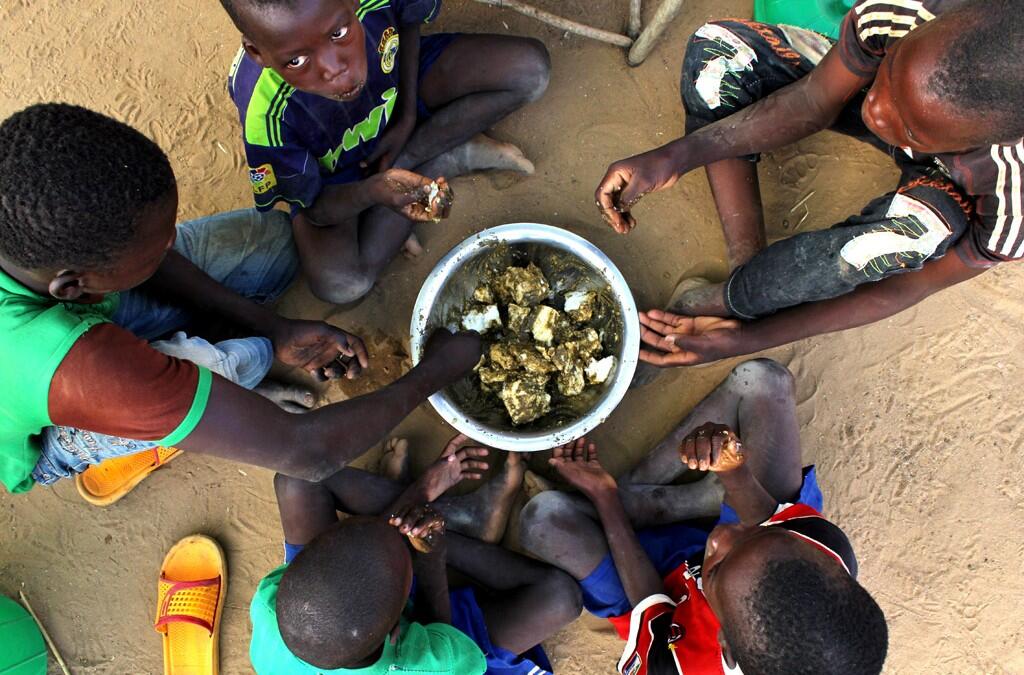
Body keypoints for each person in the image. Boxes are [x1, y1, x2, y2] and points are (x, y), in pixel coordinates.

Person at [0, 103, 481, 494]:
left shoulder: (27, 217)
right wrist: (435, 371)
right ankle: (169, 422)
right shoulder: (67, 366)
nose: (173, 243)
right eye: (158, 245)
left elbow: (152, 256)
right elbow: (307, 453)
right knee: (245, 360)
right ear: (72, 285)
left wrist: (277, 329)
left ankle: (192, 377)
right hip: (55, 415)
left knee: (275, 249)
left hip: (81, 314)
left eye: (169, 230)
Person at [595, 0, 1024, 371]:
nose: (875, 111)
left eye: (909, 128)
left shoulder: (1014, 197)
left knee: (915, 236)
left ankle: (739, 301)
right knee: (720, 53)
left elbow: (909, 286)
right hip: (887, 88)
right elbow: (813, 101)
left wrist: (747, 340)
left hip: (944, 181)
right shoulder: (912, 10)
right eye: (889, 72)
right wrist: (674, 156)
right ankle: (748, 269)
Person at [520, 359, 888, 674]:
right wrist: (729, 464)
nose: (719, 537)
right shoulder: (820, 549)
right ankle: (673, 502)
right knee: (762, 380)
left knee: (543, 521)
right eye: (755, 536)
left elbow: (650, 602)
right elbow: (755, 518)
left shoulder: (683, 667)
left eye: (716, 569)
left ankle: (650, 501)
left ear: (725, 643)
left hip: (658, 587)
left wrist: (607, 497)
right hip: (756, 532)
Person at [220, 0, 550, 304]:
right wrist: (377, 189)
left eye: (339, 33)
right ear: (256, 52)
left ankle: (419, 157)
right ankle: (445, 157)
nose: (334, 68)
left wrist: (405, 115)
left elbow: (408, 20)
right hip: (337, 175)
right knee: (342, 283)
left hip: (393, 89)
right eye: (296, 60)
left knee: (530, 71)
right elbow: (315, 209)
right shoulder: (266, 119)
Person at [251, 434, 582, 674]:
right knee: (561, 597)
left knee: (299, 482)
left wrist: (422, 489)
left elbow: (361, 552)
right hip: (436, 640)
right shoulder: (422, 668)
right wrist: (432, 558)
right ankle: (455, 525)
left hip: (362, 616)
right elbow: (443, 637)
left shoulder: (270, 608)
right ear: (398, 629)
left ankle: (439, 519)